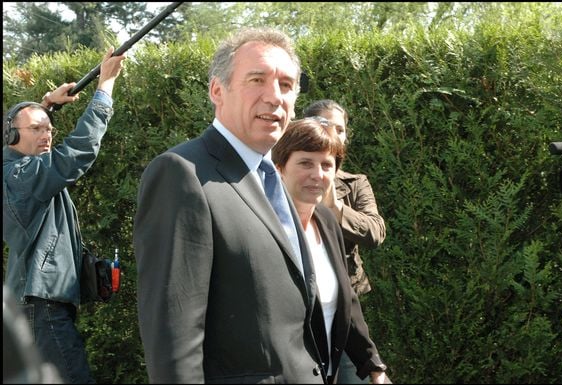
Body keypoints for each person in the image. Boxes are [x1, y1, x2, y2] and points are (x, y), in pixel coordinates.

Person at [134, 28, 331, 383]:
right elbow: (174, 336)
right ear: (217, 91)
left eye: (286, 85)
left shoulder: (269, 176)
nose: (274, 97)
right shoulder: (183, 174)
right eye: (257, 79)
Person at [3, 47, 126, 384]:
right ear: (11, 136)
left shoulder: (16, 168)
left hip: (36, 305)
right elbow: (79, 152)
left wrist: (46, 107)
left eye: (49, 130)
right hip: (42, 308)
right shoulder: (23, 176)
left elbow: (32, 136)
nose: (47, 136)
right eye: (37, 130)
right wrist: (105, 88)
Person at [272, 117, 392, 384]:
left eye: (327, 165)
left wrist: (373, 365)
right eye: (305, 163)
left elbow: (346, 301)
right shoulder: (263, 227)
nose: (318, 174)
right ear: (280, 167)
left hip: (326, 375)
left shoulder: (327, 222)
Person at [304, 100, 387, 384]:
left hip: (348, 307)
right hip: (304, 309)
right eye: (329, 126)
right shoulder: (289, 178)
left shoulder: (354, 183)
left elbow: (375, 232)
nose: (337, 135)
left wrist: (337, 209)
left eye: (342, 129)